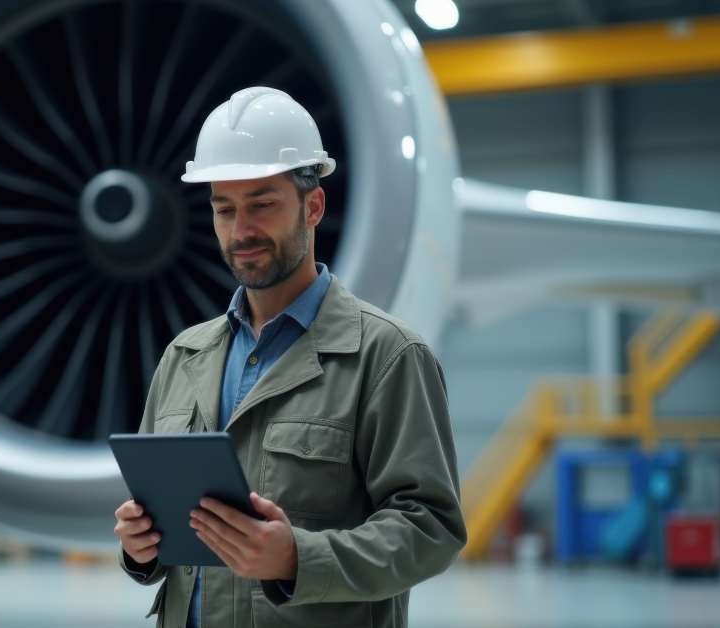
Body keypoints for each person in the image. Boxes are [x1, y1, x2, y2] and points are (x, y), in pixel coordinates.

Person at [113, 86, 466, 628]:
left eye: (262, 205)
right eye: (225, 210)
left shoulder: (386, 356)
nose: (241, 231)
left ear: (313, 206)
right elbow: (161, 522)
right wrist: (140, 546)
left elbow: (432, 529)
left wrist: (299, 559)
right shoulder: (184, 358)